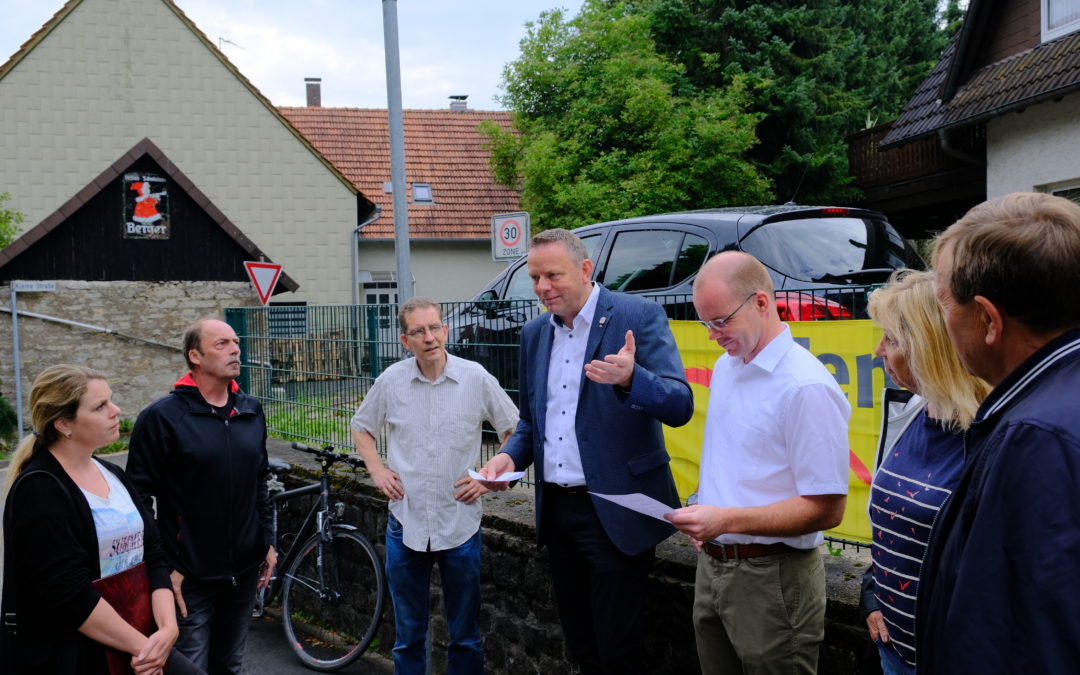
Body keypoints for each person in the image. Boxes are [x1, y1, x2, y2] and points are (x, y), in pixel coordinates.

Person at [479, 228, 694, 674]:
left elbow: (679, 405)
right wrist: (509, 459)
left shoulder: (637, 315)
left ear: (585, 269)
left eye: (552, 275)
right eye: (534, 278)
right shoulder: (535, 333)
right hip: (557, 511)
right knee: (580, 644)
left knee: (619, 650)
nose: (542, 288)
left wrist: (635, 379)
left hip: (616, 508)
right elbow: (531, 422)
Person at [664, 251, 851, 675]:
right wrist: (705, 508)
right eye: (704, 323)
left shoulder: (805, 387)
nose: (712, 335)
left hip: (774, 578)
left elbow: (827, 508)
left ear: (762, 303)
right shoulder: (728, 366)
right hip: (715, 565)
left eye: (721, 321)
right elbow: (740, 465)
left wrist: (725, 519)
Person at [916, 192, 1080, 672]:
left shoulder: (1037, 438)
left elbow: (1022, 641)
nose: (942, 321)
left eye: (944, 301)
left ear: (988, 319)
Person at [350, 297, 518, 674]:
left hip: (459, 524)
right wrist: (376, 469)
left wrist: (489, 476)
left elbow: (514, 430)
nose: (429, 337)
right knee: (409, 636)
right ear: (404, 340)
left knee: (465, 636)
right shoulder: (391, 381)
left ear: (445, 329)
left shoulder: (475, 377)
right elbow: (361, 427)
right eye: (418, 331)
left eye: (434, 327)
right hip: (405, 524)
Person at [1, 365, 203, 675]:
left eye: (111, 400)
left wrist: (168, 629)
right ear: (64, 423)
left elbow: (154, 554)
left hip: (142, 637)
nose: (116, 410)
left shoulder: (113, 473)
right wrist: (147, 650)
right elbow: (69, 595)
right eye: (100, 406)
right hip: (81, 654)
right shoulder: (39, 490)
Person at [857, 270, 991, 675]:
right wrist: (872, 594)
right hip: (894, 650)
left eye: (893, 339)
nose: (879, 350)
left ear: (931, 346)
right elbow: (896, 522)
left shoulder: (991, 434)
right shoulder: (913, 411)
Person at [126, 319, 275, 674]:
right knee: (189, 669)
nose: (235, 349)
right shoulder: (163, 417)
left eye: (235, 342)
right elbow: (137, 498)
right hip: (188, 577)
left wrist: (266, 542)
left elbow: (260, 482)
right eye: (222, 343)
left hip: (243, 571)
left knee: (229, 666)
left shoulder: (250, 410)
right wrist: (162, 568)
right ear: (195, 356)